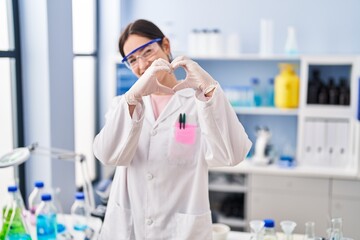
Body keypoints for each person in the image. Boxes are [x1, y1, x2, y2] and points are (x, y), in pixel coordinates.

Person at [93, 19, 252, 239]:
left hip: (181, 231)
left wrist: (209, 88)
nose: (142, 65)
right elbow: (108, 155)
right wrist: (133, 98)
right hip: (130, 228)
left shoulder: (199, 103)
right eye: (132, 60)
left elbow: (232, 154)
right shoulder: (124, 105)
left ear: (165, 46)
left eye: (147, 52)